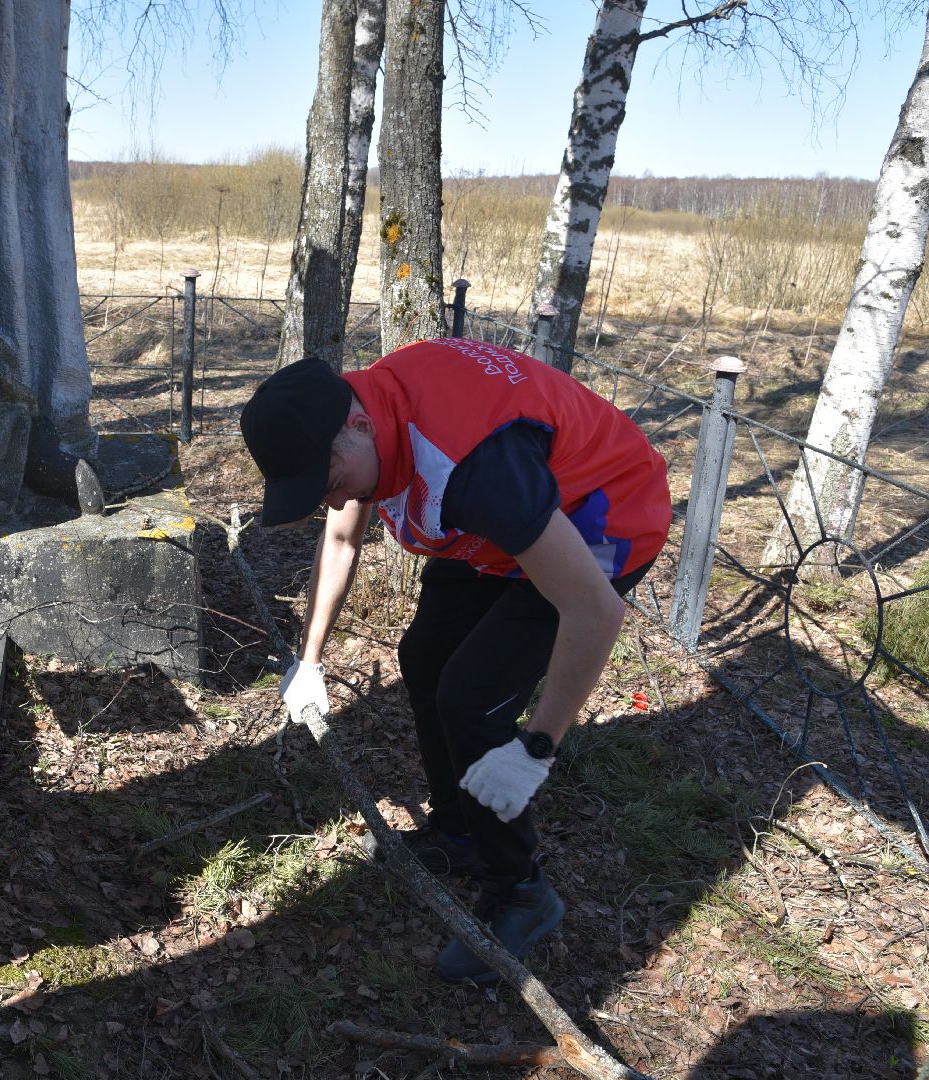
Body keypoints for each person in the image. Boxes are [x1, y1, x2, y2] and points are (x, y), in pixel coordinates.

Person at [241, 337, 671, 984]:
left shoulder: (474, 467)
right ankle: (459, 834)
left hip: (599, 516)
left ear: (357, 425)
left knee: (471, 699)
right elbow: (340, 534)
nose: (331, 500)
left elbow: (594, 612)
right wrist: (310, 660)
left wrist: (536, 747)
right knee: (426, 658)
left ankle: (522, 890)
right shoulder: (367, 413)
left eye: (329, 484)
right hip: (506, 527)